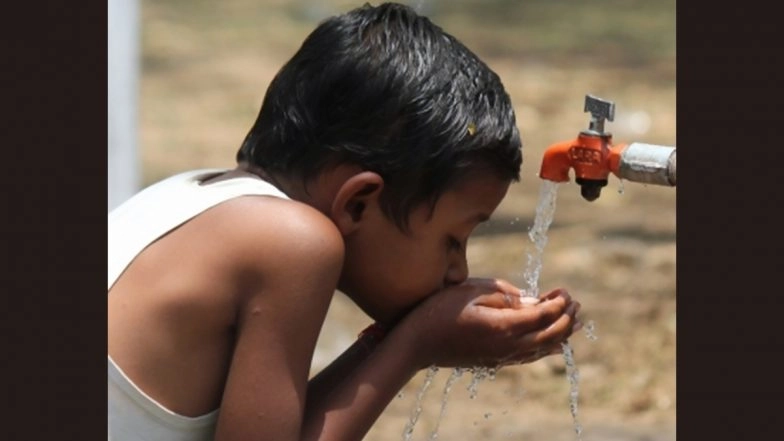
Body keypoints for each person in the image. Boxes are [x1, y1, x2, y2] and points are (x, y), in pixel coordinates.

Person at [108, 3, 582, 440]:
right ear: (358, 203)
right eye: (453, 240)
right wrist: (418, 341)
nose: (458, 272)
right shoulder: (294, 242)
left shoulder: (183, 198)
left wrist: (397, 338)